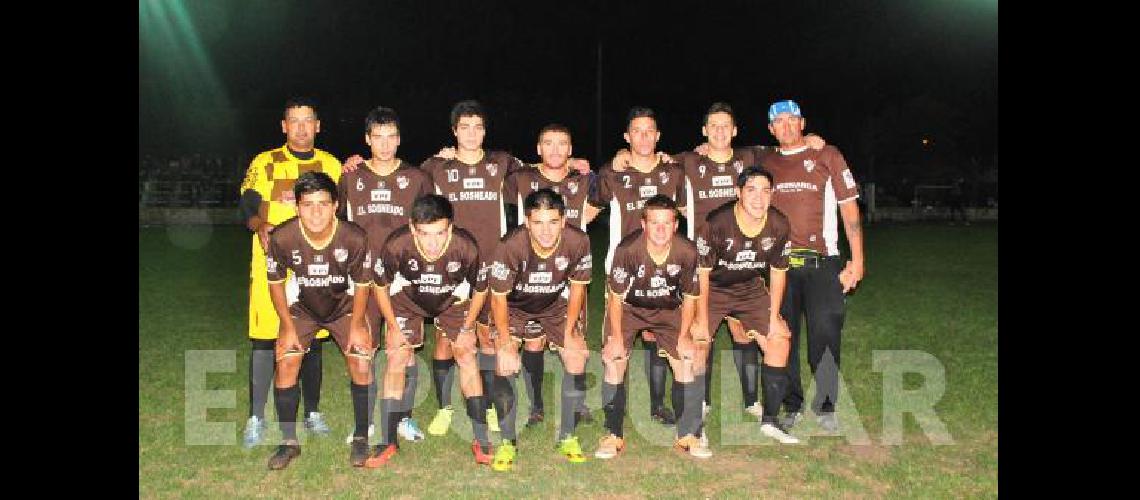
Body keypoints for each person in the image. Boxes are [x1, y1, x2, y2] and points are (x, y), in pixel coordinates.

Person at [612, 103, 826, 419]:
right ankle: (700, 399)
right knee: (700, 336)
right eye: (714, 126)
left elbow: (784, 147)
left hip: (745, 268)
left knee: (742, 332)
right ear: (704, 131)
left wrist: (810, 140)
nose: (720, 132)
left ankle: (752, 399)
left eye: (726, 126)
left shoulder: (750, 158)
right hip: (703, 268)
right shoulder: (688, 161)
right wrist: (623, 154)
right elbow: (653, 158)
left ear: (735, 130)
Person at [363, 194, 496, 467]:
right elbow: (380, 285)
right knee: (397, 356)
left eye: (440, 233)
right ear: (413, 228)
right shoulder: (397, 244)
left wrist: (468, 327)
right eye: (424, 234)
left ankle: (481, 437)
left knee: (466, 353)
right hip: (406, 301)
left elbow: (481, 289)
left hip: (451, 301)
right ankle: (388, 439)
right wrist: (392, 326)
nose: (433, 243)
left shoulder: (465, 246)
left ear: (451, 227)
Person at [237, 97, 339, 448]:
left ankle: (311, 413)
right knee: (265, 340)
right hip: (272, 267)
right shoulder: (265, 162)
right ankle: (256, 416)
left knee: (311, 343)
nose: (300, 127)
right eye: (293, 121)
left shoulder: (331, 165)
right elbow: (248, 202)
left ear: (318, 125)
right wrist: (259, 223)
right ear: (283, 126)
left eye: (307, 120)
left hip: (317, 268)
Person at [763, 99, 865, 434]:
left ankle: (826, 405)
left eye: (793, 120)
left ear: (803, 122)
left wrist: (858, 260)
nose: (787, 126)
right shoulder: (765, 161)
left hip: (823, 262)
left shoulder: (827, 155)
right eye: (780, 122)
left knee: (825, 332)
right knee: (783, 336)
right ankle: (791, 405)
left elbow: (850, 212)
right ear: (771, 129)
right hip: (780, 266)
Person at [263, 172, 374, 470]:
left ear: (336, 205)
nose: (316, 212)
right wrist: (287, 327)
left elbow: (362, 285)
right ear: (297, 207)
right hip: (303, 308)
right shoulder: (282, 237)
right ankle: (288, 441)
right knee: (286, 359)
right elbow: (275, 283)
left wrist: (357, 325)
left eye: (323, 204)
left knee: (361, 357)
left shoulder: (354, 236)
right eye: (308, 204)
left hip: (343, 305)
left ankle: (362, 436)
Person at [336, 106, 432, 444]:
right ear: (367, 139)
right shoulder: (351, 176)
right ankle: (364, 423)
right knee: (362, 349)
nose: (385, 144)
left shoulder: (417, 178)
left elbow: (429, 227)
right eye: (378, 137)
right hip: (360, 279)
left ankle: (403, 417)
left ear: (399, 138)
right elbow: (337, 223)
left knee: (402, 349)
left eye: (391, 137)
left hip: (403, 280)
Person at [588, 107, 689, 426]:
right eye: (637, 131)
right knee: (615, 346)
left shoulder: (674, 172)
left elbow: (690, 214)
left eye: (649, 131)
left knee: (658, 339)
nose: (643, 137)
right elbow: (588, 212)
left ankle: (658, 405)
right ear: (627, 137)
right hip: (624, 274)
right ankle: (612, 420)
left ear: (658, 136)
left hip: (666, 271)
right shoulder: (613, 172)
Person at [595, 195, 709, 459]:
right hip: (630, 309)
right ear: (643, 224)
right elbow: (615, 298)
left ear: (676, 225)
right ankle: (613, 435)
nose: (660, 229)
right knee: (614, 359)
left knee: (687, 359)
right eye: (654, 223)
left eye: (666, 223)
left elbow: (691, 296)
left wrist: (684, 336)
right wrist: (614, 337)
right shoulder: (628, 249)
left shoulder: (687, 251)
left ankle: (687, 434)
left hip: (668, 310)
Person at [486, 189, 593, 470]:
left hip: (555, 304)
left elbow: (578, 288)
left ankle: (568, 435)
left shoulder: (578, 241)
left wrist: (570, 333)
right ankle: (508, 442)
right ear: (526, 222)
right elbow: (498, 298)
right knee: (505, 363)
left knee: (577, 355)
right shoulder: (509, 246)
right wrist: (506, 342)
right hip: (514, 307)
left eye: (553, 222)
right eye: (538, 223)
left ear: (564, 221)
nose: (546, 230)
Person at [693, 166, 799, 444]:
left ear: (772, 195)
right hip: (713, 288)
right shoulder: (717, 222)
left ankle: (771, 421)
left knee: (780, 339)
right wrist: (702, 320)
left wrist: (774, 316)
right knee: (698, 342)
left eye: (765, 191)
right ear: (738, 193)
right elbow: (701, 274)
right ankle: (695, 418)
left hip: (750, 288)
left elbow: (778, 271)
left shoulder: (779, 224)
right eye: (751, 190)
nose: (758, 198)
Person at [501, 124, 597, 428]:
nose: (555, 150)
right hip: (526, 277)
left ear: (571, 150)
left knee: (576, 344)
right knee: (532, 344)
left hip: (566, 273)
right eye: (548, 144)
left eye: (562, 144)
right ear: (538, 148)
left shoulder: (583, 179)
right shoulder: (520, 178)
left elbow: (599, 204)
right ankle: (536, 405)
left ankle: (577, 402)